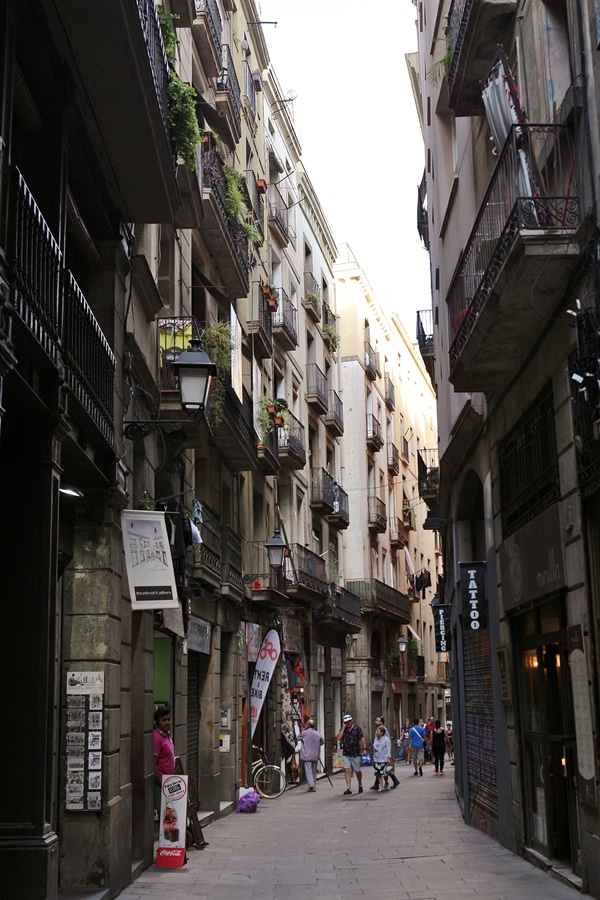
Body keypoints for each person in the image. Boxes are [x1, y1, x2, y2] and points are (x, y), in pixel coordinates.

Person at [335, 713, 367, 795]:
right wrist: (343, 728)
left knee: (357, 770)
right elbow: (338, 738)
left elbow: (362, 738)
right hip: (346, 753)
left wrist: (364, 748)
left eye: (349, 721)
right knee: (347, 770)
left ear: (352, 721)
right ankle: (348, 788)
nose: (348, 723)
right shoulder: (343, 729)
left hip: (355, 753)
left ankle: (360, 784)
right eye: (346, 722)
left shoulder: (357, 729)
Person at [153, 706, 176, 817]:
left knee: (170, 815)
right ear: (157, 722)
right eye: (164, 720)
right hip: (161, 785)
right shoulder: (156, 738)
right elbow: (153, 763)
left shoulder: (166, 736)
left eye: (168, 719)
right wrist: (161, 782)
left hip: (169, 784)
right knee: (164, 815)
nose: (167, 722)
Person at [369, 716, 399, 790]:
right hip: (378, 756)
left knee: (383, 770)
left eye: (377, 721)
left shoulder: (385, 732)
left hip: (384, 756)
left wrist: (389, 757)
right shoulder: (377, 733)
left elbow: (388, 745)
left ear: (381, 722)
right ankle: (378, 784)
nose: (375, 722)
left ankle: (393, 780)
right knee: (379, 770)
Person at [296, 717, 324, 792]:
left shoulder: (304, 733)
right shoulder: (318, 734)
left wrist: (303, 730)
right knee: (313, 771)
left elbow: (297, 738)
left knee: (308, 771)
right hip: (315, 754)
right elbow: (322, 742)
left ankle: (311, 786)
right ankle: (313, 785)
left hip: (307, 754)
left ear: (308, 725)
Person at [372, 725, 393, 791]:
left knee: (384, 773)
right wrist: (373, 756)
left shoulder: (386, 739)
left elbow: (388, 749)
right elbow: (374, 748)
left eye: (378, 731)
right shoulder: (375, 739)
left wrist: (388, 757)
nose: (376, 732)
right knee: (378, 773)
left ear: (381, 732)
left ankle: (386, 782)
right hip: (377, 758)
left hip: (383, 758)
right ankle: (381, 786)